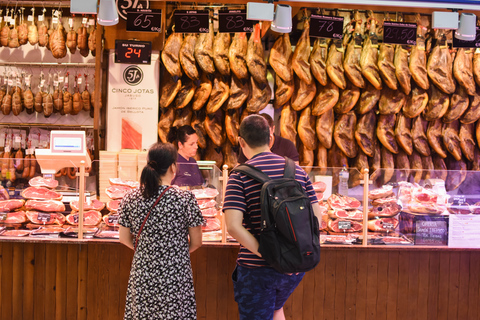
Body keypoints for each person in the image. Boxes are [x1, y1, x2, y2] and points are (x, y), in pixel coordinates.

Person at [223, 115, 322, 320]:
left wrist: (268, 253)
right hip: (294, 267)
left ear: (241, 142)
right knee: (276, 309)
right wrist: (292, 253)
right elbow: (316, 218)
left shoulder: (239, 175)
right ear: (270, 138)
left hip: (257, 269)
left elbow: (232, 226)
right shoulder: (297, 171)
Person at [118, 142, 204, 320]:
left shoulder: (130, 198)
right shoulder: (185, 199)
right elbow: (197, 242)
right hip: (176, 276)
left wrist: (148, 250)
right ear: (173, 167)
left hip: (143, 274)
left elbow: (124, 239)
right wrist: (174, 253)